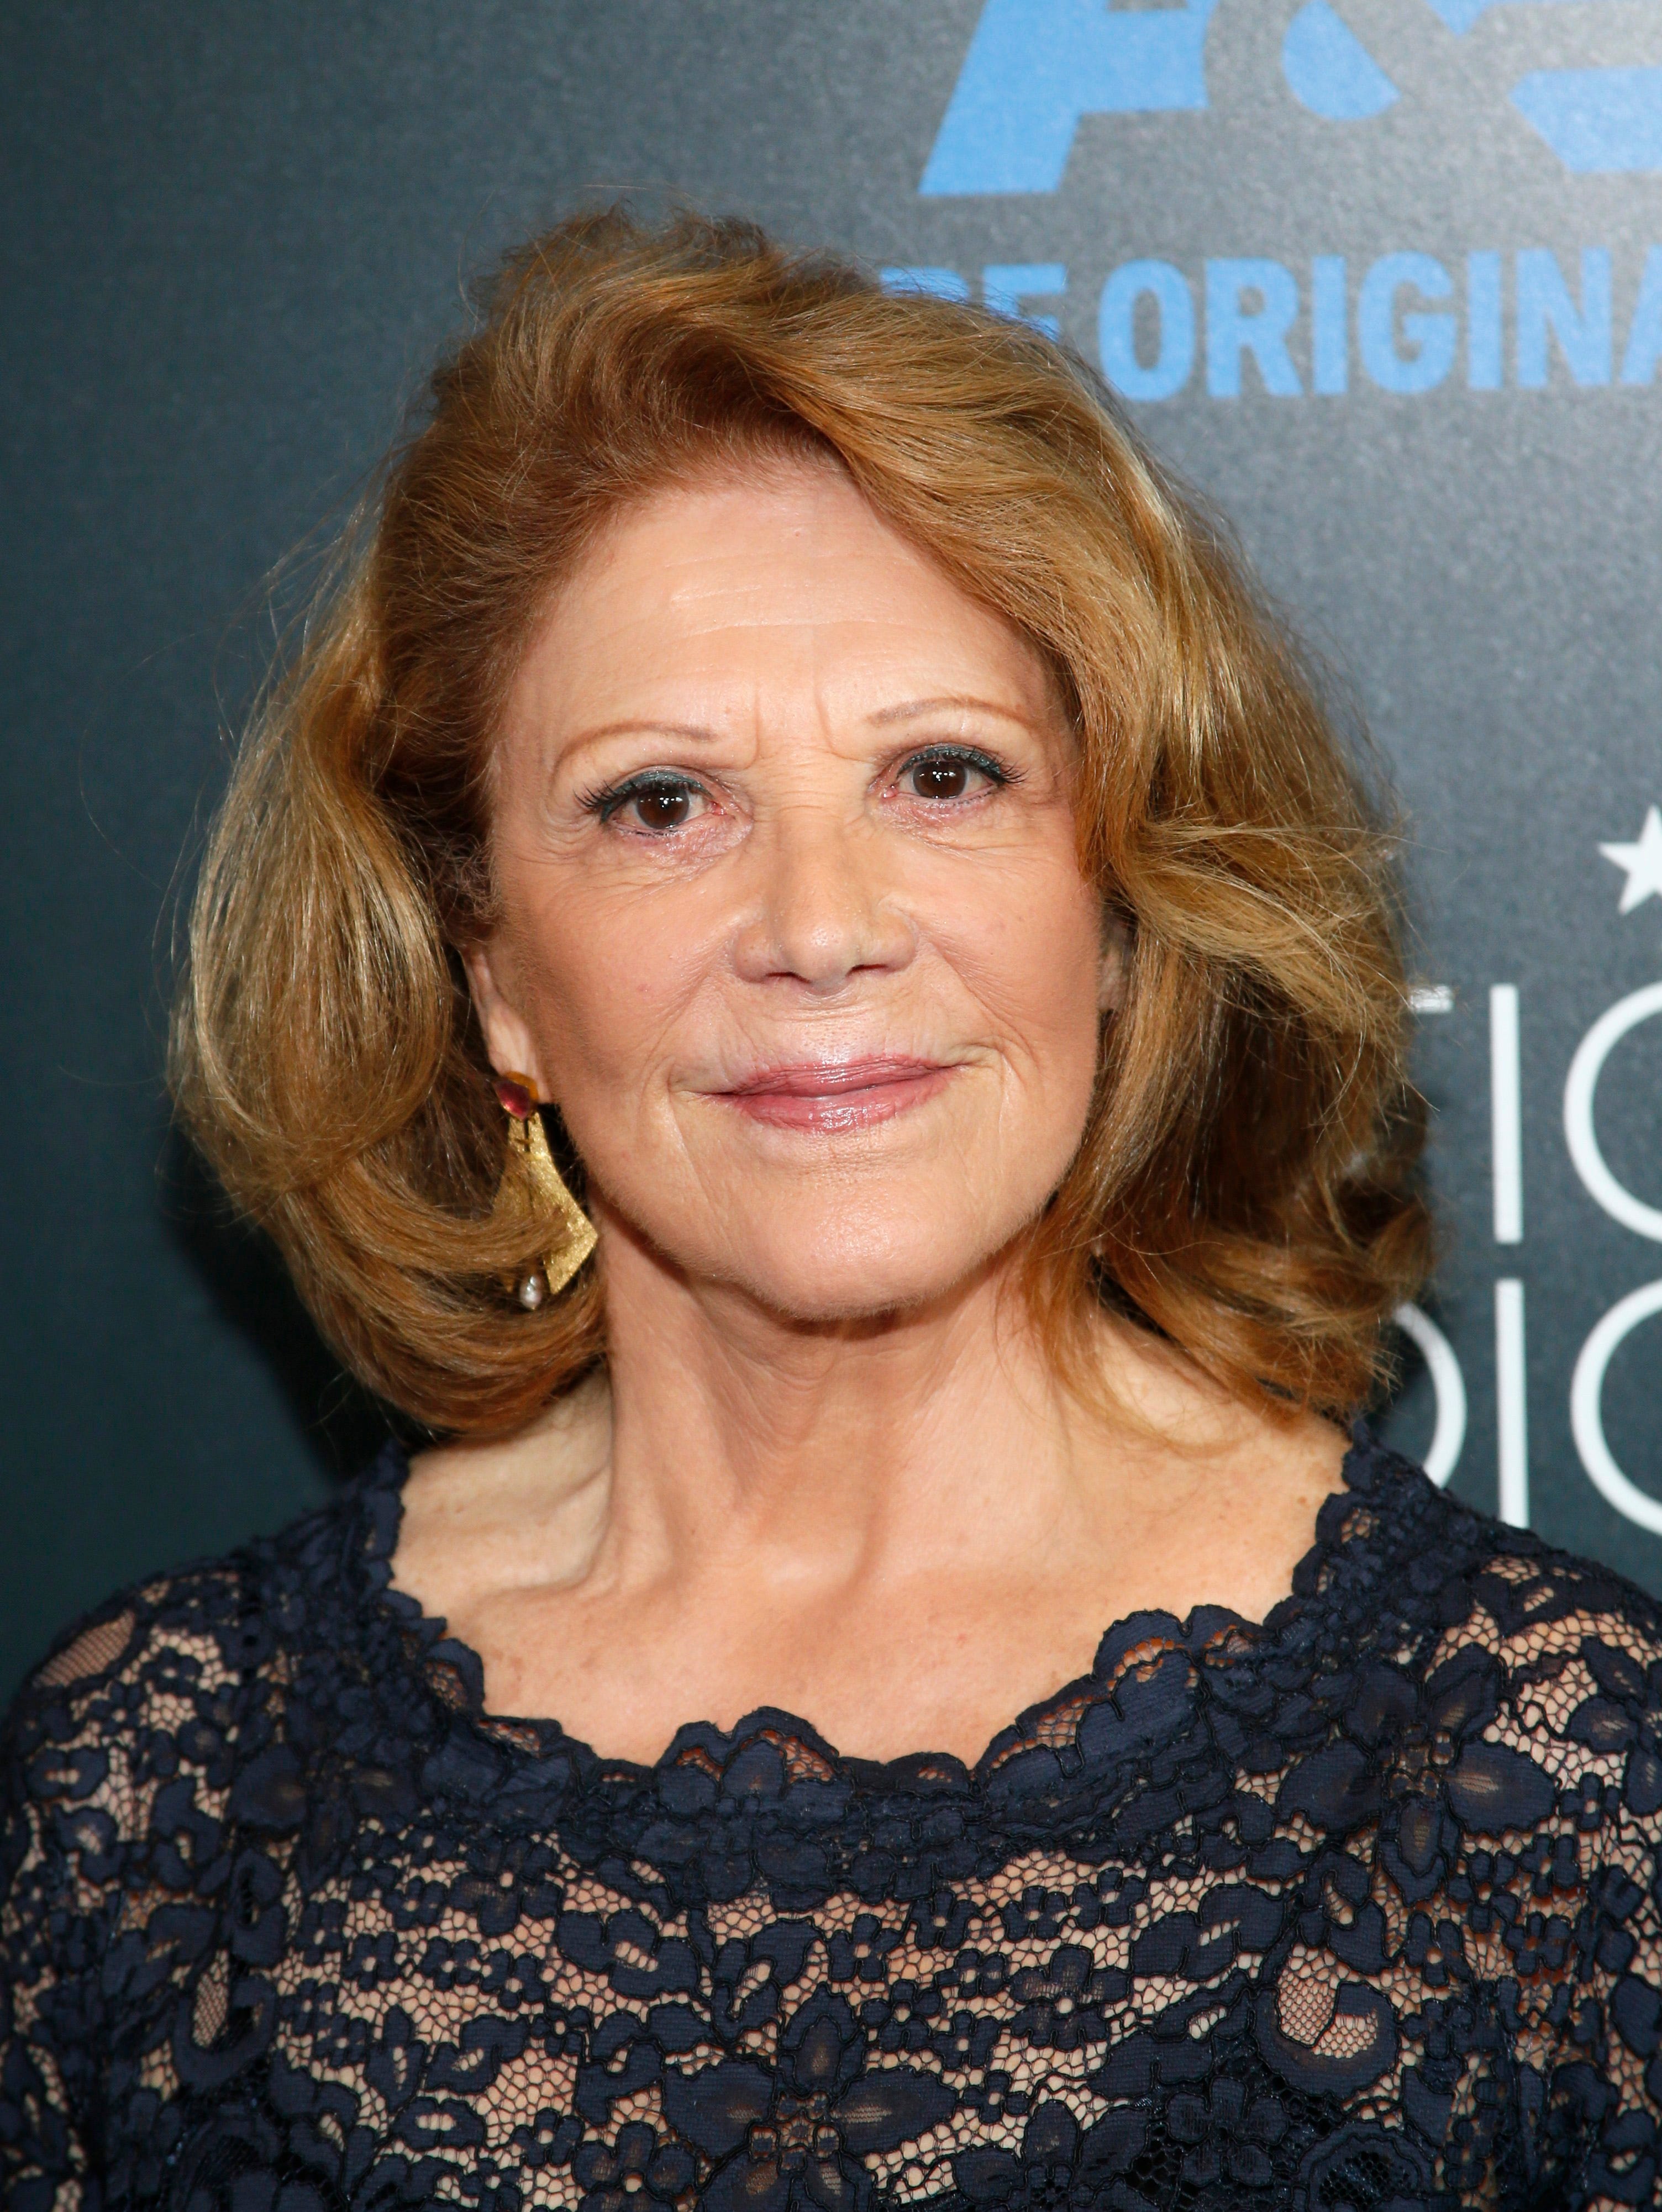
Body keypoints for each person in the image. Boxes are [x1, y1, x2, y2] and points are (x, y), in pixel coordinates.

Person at [4, 209, 1659, 2212]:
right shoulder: (157, 1796)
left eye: (943, 776)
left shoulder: (1549, 1781)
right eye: (662, 802)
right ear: (490, 966)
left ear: (1120, 904)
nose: (817, 926)